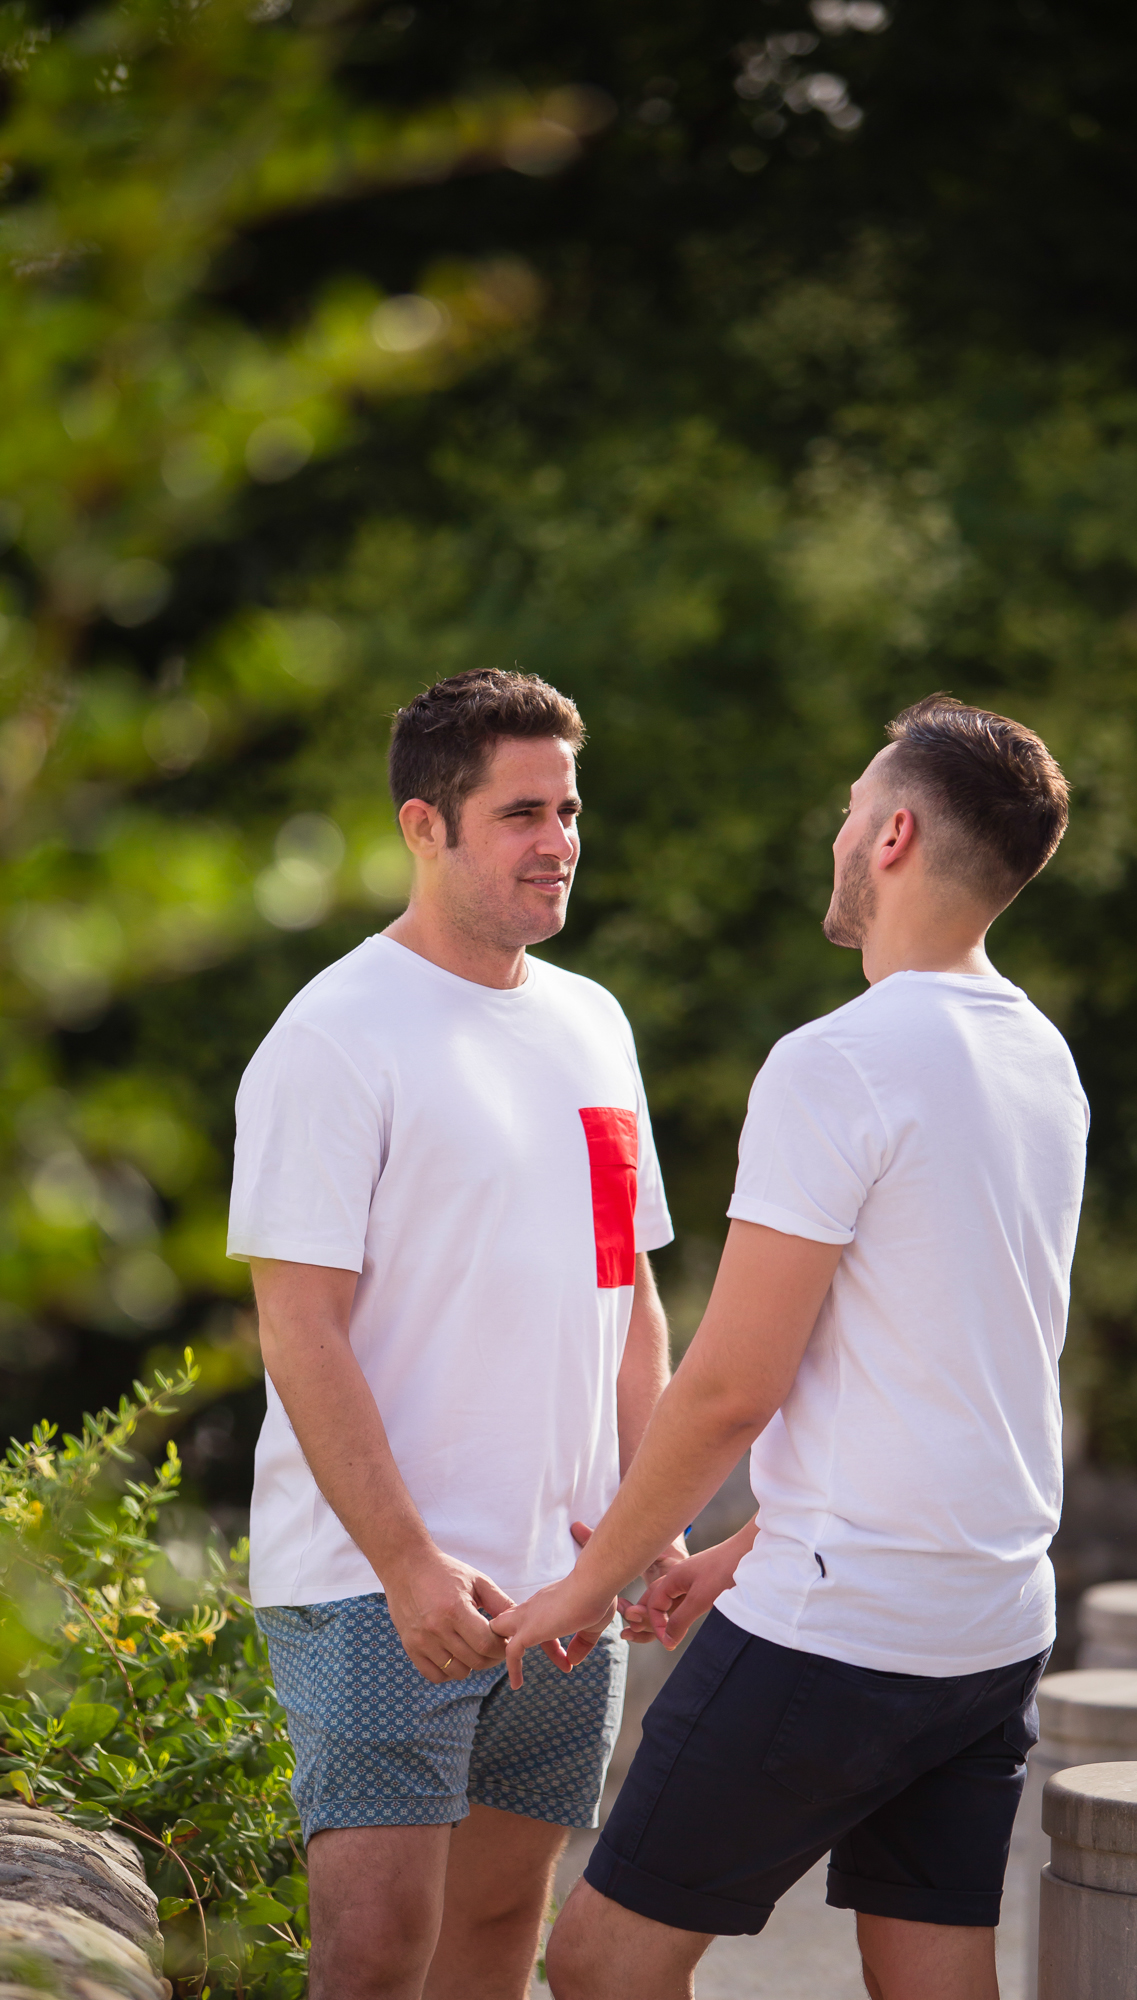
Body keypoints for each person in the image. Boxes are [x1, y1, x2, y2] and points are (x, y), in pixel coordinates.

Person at [494, 694, 1090, 2000]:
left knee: (596, 1961)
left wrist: (586, 1588)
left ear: (890, 836)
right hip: (987, 1622)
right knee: (932, 1978)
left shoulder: (840, 1062)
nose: (833, 838)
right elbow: (943, 1376)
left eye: (844, 814)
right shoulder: (1040, 1062)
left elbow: (727, 1389)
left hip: (842, 1635)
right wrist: (730, 1555)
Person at [226, 667, 683, 2000]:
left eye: (570, 808)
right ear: (425, 825)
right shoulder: (333, 1035)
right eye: (521, 813)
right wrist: (409, 1562)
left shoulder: (593, 1024)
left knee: (494, 1944)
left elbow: (628, 1296)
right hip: (379, 1588)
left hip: (562, 1591)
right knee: (372, 1960)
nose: (559, 844)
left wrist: (641, 1522)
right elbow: (297, 1327)